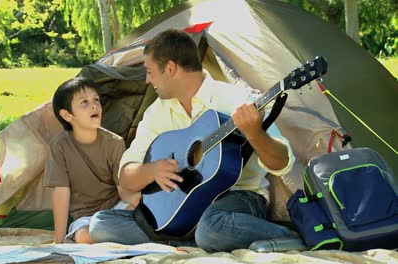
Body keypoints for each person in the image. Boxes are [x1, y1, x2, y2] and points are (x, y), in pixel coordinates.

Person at [89, 29, 297, 252]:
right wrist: (150, 171)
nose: (147, 80)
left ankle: (291, 237)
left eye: (149, 72)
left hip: (236, 199)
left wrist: (256, 134)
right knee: (101, 224)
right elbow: (126, 176)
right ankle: (191, 239)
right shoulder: (156, 113)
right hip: (181, 205)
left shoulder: (236, 100)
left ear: (170, 68)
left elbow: (283, 163)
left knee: (212, 229)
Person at [44, 77, 140, 244]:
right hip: (85, 217)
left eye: (96, 99)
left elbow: (123, 188)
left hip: (116, 211)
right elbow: (61, 192)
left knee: (139, 214)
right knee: (83, 236)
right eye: (84, 102)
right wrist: (59, 241)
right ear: (67, 115)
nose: (94, 105)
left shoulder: (115, 142)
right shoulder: (59, 146)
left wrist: (139, 205)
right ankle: (122, 237)